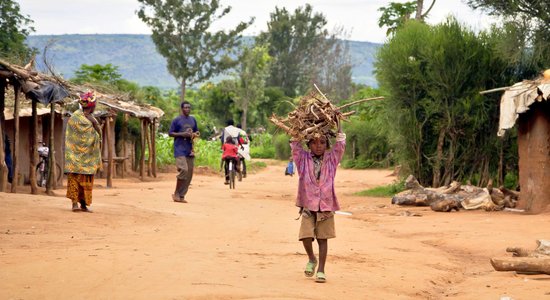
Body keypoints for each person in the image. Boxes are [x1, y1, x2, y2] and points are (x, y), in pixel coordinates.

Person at [290, 123, 345, 283]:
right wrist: (297, 131)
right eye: (314, 142)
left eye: (322, 142)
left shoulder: (332, 159)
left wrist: (338, 127)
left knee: (322, 238)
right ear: (308, 145)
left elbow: (340, 145)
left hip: (326, 205)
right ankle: (311, 259)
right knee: (306, 236)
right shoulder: (302, 159)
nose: (318, 146)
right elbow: (295, 145)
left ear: (327, 144)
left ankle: (321, 269)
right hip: (308, 204)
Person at [64, 91, 102, 212]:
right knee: (82, 180)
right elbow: (98, 135)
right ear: (92, 106)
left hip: (74, 157)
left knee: (76, 179)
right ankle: (80, 205)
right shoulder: (89, 119)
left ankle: (79, 204)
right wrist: (94, 123)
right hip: (84, 158)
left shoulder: (74, 117)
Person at [169, 101, 199, 203]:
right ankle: (176, 193)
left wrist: (194, 134)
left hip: (189, 150)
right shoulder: (176, 120)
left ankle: (181, 196)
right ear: (182, 109)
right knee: (184, 170)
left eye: (189, 108)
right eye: (185, 108)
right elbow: (170, 133)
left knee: (189, 174)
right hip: (179, 149)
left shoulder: (193, 119)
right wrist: (183, 134)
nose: (187, 109)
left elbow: (197, 131)